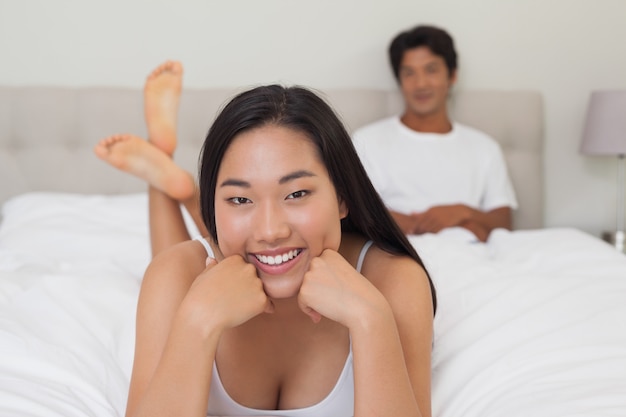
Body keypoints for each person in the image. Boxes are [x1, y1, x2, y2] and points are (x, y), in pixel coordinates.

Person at [94, 61, 436, 417]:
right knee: (178, 265)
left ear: (342, 197)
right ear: (214, 204)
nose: (271, 230)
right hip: (193, 267)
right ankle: (165, 169)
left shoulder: (395, 281)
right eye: (240, 199)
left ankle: (172, 178)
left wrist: (371, 320)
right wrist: (198, 323)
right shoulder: (173, 277)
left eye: (297, 194)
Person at [352, 25, 518, 242]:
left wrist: (460, 212)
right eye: (409, 73)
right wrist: (419, 225)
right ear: (399, 81)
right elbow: (356, 214)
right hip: (399, 257)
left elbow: (503, 222)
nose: (420, 84)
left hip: (472, 258)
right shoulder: (367, 141)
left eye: (431, 70)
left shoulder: (484, 147)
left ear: (452, 75)